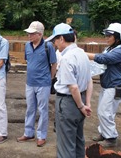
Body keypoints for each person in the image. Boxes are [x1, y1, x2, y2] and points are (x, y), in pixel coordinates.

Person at [46, 23, 93, 158]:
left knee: (65, 146)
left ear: (61, 39)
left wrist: (81, 106)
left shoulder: (67, 58)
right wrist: (87, 104)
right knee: (78, 141)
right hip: (82, 99)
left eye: (55, 40)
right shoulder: (82, 53)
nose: (55, 44)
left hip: (69, 103)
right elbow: (89, 81)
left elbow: (73, 87)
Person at [86, 23, 121, 147]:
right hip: (108, 85)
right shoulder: (110, 48)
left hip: (115, 86)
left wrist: (82, 53)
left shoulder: (120, 52)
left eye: (109, 35)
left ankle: (111, 138)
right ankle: (104, 133)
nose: (106, 37)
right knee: (105, 111)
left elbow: (103, 59)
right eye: (106, 35)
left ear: (117, 37)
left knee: (105, 111)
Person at [16, 21, 57, 147]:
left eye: (32, 33)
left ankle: (41, 135)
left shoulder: (48, 46)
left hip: (43, 84)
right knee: (30, 109)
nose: (29, 36)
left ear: (39, 34)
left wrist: (50, 79)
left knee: (43, 110)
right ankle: (28, 133)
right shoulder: (27, 46)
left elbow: (54, 64)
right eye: (29, 33)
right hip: (30, 83)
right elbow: (29, 61)